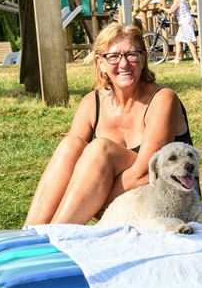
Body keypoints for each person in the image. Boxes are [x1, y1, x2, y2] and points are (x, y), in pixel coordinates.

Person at [24, 23, 193, 226]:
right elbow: (69, 166)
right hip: (122, 203)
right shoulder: (91, 103)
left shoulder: (163, 99)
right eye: (113, 57)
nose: (123, 64)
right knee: (70, 145)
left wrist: (94, 200)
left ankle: (56, 236)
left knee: (101, 148)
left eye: (131, 54)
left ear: (143, 58)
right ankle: (30, 232)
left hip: (165, 203)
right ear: (101, 62)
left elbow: (148, 171)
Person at [159, 0, 199, 64]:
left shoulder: (178, 0)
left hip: (186, 22)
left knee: (189, 41)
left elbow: (170, 11)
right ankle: (177, 59)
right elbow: (174, 11)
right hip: (183, 22)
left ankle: (196, 60)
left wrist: (162, 8)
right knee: (178, 40)